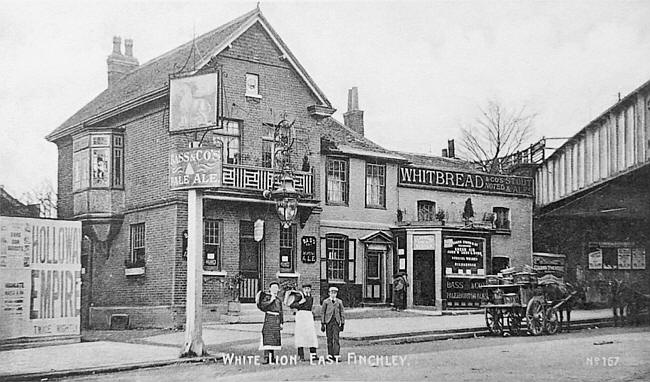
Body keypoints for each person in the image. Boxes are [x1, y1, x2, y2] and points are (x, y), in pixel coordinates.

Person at [287, 284, 318, 361]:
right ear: (303, 289)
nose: (307, 290)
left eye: (308, 288)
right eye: (305, 289)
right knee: (300, 335)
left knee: (311, 334)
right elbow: (291, 305)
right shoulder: (298, 296)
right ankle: (301, 356)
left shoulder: (311, 297)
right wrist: (300, 302)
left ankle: (313, 355)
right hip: (301, 316)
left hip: (309, 316)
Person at [256, 282, 283, 364]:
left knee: (274, 338)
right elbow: (263, 306)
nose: (275, 290)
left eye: (276, 288)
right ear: (270, 289)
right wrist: (271, 300)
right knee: (267, 337)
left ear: (278, 289)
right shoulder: (267, 297)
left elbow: (281, 311)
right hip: (269, 318)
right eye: (273, 288)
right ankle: (266, 357)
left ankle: (272, 357)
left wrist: (281, 322)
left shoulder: (278, 300)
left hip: (276, 319)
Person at [320, 286, 345, 361]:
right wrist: (322, 323)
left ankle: (336, 355)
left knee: (336, 339)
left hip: (336, 322)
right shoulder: (326, 302)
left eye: (335, 293)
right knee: (329, 339)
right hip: (328, 322)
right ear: (329, 293)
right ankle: (330, 355)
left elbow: (342, 312)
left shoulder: (339, 302)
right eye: (332, 293)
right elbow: (323, 313)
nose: (333, 294)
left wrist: (342, 323)